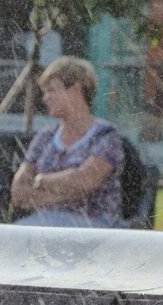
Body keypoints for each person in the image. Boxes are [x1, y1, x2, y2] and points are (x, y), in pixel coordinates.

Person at [11, 56, 125, 228]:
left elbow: (85, 181)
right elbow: (18, 193)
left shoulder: (106, 136)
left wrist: (40, 181)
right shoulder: (45, 136)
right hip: (45, 226)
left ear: (75, 90)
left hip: (94, 231)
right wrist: (67, 191)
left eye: (52, 90)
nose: (45, 98)